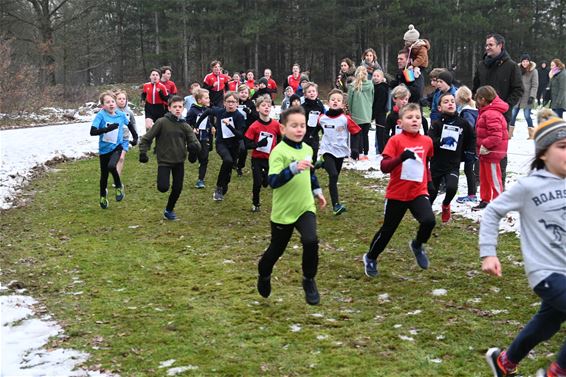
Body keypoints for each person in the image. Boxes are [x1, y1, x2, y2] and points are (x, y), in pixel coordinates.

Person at [480, 116, 566, 377]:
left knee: (547, 323)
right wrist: (488, 253)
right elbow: (492, 212)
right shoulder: (529, 186)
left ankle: (505, 362)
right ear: (543, 154)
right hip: (546, 272)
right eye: (562, 146)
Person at [256, 106, 327, 305]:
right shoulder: (278, 152)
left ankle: (309, 279)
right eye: (294, 126)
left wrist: (317, 192)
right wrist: (293, 169)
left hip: (305, 206)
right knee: (276, 250)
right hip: (284, 211)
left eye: (302, 125)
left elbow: (310, 174)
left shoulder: (308, 149)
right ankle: (264, 273)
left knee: (311, 241)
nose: (299, 129)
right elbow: (273, 181)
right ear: (282, 128)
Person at [362, 103, 435, 277]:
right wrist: (401, 157)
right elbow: (384, 167)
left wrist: (430, 182)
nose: (415, 120)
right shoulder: (395, 141)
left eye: (417, 117)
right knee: (388, 230)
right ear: (400, 123)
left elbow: (425, 163)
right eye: (410, 118)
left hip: (418, 191)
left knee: (429, 221)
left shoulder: (427, 141)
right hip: (397, 194)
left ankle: (417, 244)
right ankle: (371, 257)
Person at [472, 33, 523, 187]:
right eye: (486, 45)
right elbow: (476, 87)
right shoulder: (481, 65)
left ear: (500, 45)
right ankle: (480, 182)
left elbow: (518, 90)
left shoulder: (512, 66)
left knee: (499, 149)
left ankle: (499, 182)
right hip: (482, 115)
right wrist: (477, 103)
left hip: (501, 116)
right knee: (480, 145)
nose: (487, 48)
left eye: (491, 45)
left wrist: (505, 107)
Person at [138, 96, 200, 220]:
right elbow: (146, 138)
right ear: (169, 108)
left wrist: (194, 150)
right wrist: (143, 153)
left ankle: (169, 210)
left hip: (179, 161)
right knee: (163, 187)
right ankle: (164, 191)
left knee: (178, 188)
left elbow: (194, 141)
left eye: (180, 107)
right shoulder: (161, 122)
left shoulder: (185, 125)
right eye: (175, 107)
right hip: (164, 161)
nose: (177, 109)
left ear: (183, 108)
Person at [427, 93, 475, 223]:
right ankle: (426, 214)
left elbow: (471, 139)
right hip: (437, 163)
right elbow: (430, 140)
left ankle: (446, 205)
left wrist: (468, 154)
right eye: (446, 101)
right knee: (432, 192)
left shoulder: (463, 123)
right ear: (439, 107)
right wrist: (442, 142)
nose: (450, 103)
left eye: (452, 101)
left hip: (453, 163)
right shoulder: (436, 124)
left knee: (452, 188)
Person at [196, 91, 246, 201]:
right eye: (228, 102)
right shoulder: (220, 112)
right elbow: (208, 111)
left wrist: (230, 127)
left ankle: (224, 184)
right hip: (221, 143)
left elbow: (240, 135)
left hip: (234, 146)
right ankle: (218, 187)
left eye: (233, 102)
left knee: (228, 169)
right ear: (224, 103)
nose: (231, 104)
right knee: (227, 161)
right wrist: (197, 125)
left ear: (237, 103)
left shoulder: (239, 116)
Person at [318, 89, 361, 215]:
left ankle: (323, 164)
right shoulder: (322, 118)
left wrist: (355, 149)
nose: (335, 102)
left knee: (335, 174)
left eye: (338, 100)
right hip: (327, 150)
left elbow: (357, 132)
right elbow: (313, 129)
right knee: (333, 175)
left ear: (342, 104)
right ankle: (336, 205)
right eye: (333, 100)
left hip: (341, 152)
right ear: (328, 102)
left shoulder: (345, 119)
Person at [472, 85, 509, 211]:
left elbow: (496, 136)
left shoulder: (491, 113)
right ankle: (485, 200)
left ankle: (499, 203)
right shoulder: (486, 111)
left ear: (482, 99)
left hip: (491, 152)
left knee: (494, 179)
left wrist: (485, 145)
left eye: (478, 99)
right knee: (484, 178)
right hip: (484, 153)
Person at [90, 91, 129, 209]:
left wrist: (135, 137)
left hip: (117, 147)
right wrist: (106, 129)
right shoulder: (100, 116)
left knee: (112, 166)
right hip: (104, 150)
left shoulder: (121, 115)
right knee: (104, 176)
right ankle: (103, 195)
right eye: (108, 102)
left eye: (113, 101)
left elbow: (129, 124)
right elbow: (92, 132)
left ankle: (118, 186)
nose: (111, 104)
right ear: (103, 105)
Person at [244, 95, 281, 212]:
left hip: (271, 158)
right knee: (257, 182)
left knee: (267, 182)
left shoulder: (275, 124)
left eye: (268, 106)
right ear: (257, 109)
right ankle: (255, 203)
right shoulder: (254, 126)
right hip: (257, 158)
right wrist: (258, 144)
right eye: (263, 105)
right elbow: (246, 144)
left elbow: (280, 138)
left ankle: (266, 178)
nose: (266, 108)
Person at [455, 86, 480, 204]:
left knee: (468, 169)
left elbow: (469, 127)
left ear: (460, 98)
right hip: (472, 146)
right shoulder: (473, 110)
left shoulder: (466, 112)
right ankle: (472, 193)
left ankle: (472, 194)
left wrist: (460, 132)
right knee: (469, 169)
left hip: (469, 146)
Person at [185, 88, 214, 189]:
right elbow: (186, 123)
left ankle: (200, 180)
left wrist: (211, 128)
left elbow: (209, 122)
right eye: (206, 98)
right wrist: (192, 129)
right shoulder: (192, 110)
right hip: (194, 139)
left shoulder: (208, 110)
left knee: (204, 159)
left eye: (208, 97)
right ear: (199, 100)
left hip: (205, 138)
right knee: (193, 159)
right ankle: (192, 154)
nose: (209, 99)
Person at [347, 66, 374, 160]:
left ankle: (358, 153)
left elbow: (349, 101)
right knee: (365, 134)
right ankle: (365, 153)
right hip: (367, 113)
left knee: (356, 134)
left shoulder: (352, 86)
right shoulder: (371, 85)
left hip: (356, 114)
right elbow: (372, 98)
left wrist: (349, 111)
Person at [510, 54, 539, 139]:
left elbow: (535, 85)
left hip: (528, 97)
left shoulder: (534, 71)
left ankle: (532, 134)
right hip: (518, 96)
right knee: (513, 115)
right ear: (521, 62)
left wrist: (532, 96)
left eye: (527, 61)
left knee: (527, 115)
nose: (525, 63)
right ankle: (509, 133)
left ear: (529, 62)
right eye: (523, 61)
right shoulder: (517, 70)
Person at [236, 84, 259, 176]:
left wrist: (249, 112)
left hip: (246, 130)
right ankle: (233, 161)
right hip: (234, 129)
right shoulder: (234, 101)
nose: (243, 94)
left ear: (249, 94)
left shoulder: (251, 104)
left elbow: (256, 117)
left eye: (245, 93)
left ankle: (240, 167)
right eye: (241, 92)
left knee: (243, 149)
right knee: (234, 148)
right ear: (238, 93)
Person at [115, 90, 139, 177]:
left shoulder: (129, 112)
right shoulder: (112, 111)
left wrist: (136, 137)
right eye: (119, 99)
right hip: (114, 140)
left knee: (121, 158)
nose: (122, 100)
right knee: (114, 160)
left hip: (125, 139)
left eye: (123, 99)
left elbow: (133, 124)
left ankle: (117, 179)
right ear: (115, 100)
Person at [403, 24, 431, 98]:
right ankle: (410, 87)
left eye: (407, 41)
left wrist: (413, 65)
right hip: (412, 65)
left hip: (420, 65)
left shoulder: (421, 48)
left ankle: (417, 92)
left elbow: (421, 58)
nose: (406, 43)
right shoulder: (410, 47)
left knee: (417, 76)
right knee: (409, 78)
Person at [301, 81, 325, 161]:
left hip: (314, 134)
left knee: (314, 155)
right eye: (309, 92)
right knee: (304, 155)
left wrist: (323, 131)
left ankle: (312, 171)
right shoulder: (303, 107)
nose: (312, 93)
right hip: (304, 134)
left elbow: (323, 119)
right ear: (305, 94)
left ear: (317, 93)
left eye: (313, 91)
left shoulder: (320, 105)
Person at [372, 70, 389, 154]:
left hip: (380, 112)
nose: (375, 77)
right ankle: (380, 150)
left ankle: (382, 150)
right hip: (376, 111)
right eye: (374, 76)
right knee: (379, 131)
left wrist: (373, 115)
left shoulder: (382, 88)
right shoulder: (374, 87)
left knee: (381, 131)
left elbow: (379, 103)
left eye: (377, 76)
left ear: (382, 78)